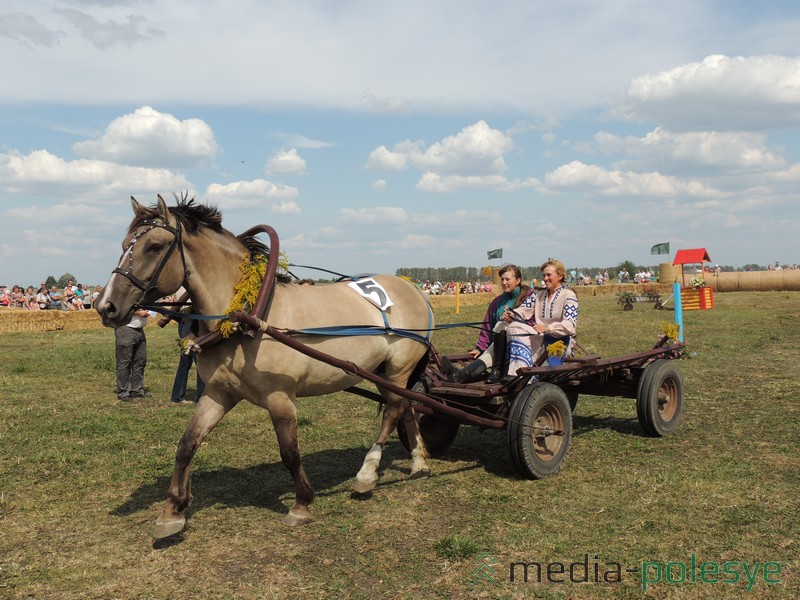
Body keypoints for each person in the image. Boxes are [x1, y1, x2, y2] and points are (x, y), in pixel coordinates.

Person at [443, 264, 532, 384]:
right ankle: (460, 376)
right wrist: (480, 347)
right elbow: (487, 327)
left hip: (520, 346)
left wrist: (514, 320)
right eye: (502, 279)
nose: (504, 282)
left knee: (502, 329)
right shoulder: (497, 302)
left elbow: (534, 323)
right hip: (499, 346)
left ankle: (462, 375)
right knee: (493, 346)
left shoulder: (528, 298)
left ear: (518, 280)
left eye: (507, 279)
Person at [505, 259, 579, 378]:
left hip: (559, 340)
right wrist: (512, 314)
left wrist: (547, 328)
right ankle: (518, 371)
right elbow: (524, 309)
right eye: (544, 275)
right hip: (539, 336)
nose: (545, 278)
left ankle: (527, 376)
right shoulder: (538, 294)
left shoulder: (568, 295)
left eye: (549, 275)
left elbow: (569, 325)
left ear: (560, 276)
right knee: (513, 327)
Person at [115, 308, 153, 401]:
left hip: (139, 330)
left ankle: (137, 390)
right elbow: (118, 308)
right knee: (124, 362)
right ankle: (123, 392)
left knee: (140, 360)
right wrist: (137, 312)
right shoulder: (121, 294)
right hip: (126, 329)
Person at [169, 307, 205, 406]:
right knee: (190, 362)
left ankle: (178, 396)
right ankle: (178, 397)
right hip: (190, 323)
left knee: (194, 362)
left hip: (193, 321)